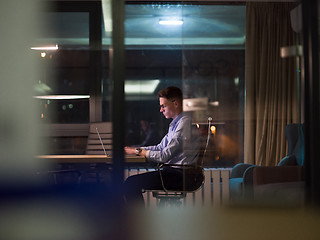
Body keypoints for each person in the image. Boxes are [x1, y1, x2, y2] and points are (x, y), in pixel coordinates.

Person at [123, 86, 203, 206]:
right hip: (175, 173)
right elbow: (160, 147)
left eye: (163, 106)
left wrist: (138, 152)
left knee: (130, 183)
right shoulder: (175, 124)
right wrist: (135, 149)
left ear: (175, 104)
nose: (161, 110)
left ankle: (139, 222)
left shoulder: (184, 123)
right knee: (131, 183)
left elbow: (164, 156)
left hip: (181, 176)